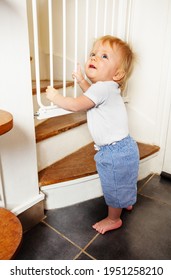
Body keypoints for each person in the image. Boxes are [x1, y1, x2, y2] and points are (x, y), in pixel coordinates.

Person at [46, 35, 139, 234]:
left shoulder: (102, 89)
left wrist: (56, 97)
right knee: (125, 179)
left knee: (113, 185)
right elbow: (92, 96)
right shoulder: (107, 89)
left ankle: (114, 218)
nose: (95, 58)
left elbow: (77, 105)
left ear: (117, 74)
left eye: (104, 56)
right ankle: (126, 201)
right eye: (93, 54)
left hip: (114, 152)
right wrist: (81, 80)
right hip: (126, 147)